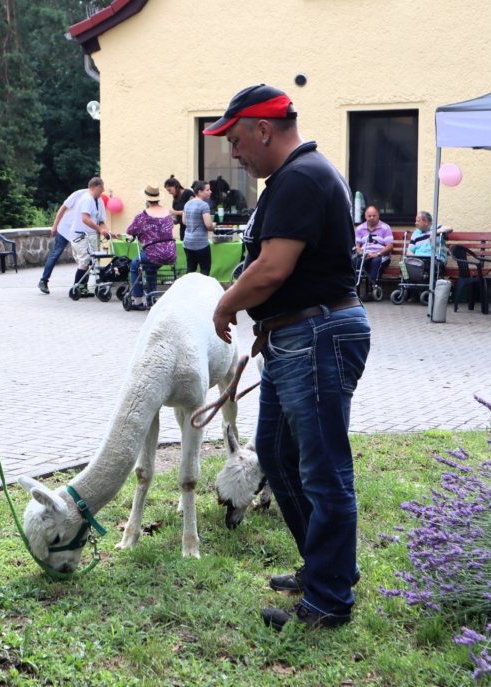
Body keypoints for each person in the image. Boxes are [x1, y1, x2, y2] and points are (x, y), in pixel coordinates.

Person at [209, 84, 370, 631]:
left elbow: (273, 268)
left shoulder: (301, 177)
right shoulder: (294, 177)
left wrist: (226, 304)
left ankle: (328, 600)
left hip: (316, 336)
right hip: (296, 335)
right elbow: (281, 268)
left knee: (324, 472)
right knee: (277, 456)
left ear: (264, 130)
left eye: (235, 141)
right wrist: (265, 319)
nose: (233, 153)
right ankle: (325, 570)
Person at [125, 185, 177, 310]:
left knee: (134, 265)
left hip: (153, 253)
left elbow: (130, 230)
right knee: (151, 269)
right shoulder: (168, 213)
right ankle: (151, 298)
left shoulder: (142, 215)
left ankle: (138, 301)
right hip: (170, 253)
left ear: (146, 199)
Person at [38, 186, 87, 294]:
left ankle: (83, 286)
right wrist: (55, 225)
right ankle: (43, 281)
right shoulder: (78, 194)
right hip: (65, 229)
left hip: (79, 232)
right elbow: (63, 208)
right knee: (56, 253)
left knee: (85, 257)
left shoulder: (96, 200)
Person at [70, 177, 109, 294]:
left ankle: (83, 288)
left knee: (91, 262)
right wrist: (100, 230)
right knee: (84, 262)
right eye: (102, 189)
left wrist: (108, 233)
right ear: (98, 187)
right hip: (82, 235)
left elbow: (100, 221)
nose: (102, 191)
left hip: (91, 235)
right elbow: (85, 219)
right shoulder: (87, 199)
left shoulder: (98, 201)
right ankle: (76, 287)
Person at [354, 206, 393, 301]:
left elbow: (389, 246)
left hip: (381, 255)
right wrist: (362, 253)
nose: (371, 218)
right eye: (369, 216)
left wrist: (377, 254)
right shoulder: (360, 228)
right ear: (365, 216)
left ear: (378, 215)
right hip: (365, 255)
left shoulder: (385, 227)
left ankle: (371, 290)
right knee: (357, 262)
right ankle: (355, 291)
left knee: (376, 262)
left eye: (374, 215)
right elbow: (356, 246)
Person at [183, 180, 214, 275]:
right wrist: (214, 225)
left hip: (188, 241)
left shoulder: (187, 204)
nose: (210, 192)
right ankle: (203, 285)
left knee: (191, 268)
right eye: (207, 190)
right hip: (200, 242)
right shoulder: (204, 205)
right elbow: (208, 225)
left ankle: (188, 284)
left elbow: (184, 221)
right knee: (205, 268)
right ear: (200, 192)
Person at [165, 176, 194, 241]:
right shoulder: (175, 199)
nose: (169, 193)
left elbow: (193, 211)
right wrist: (171, 219)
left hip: (192, 228)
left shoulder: (188, 193)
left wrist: (176, 212)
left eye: (169, 190)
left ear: (175, 186)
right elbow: (176, 219)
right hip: (183, 229)